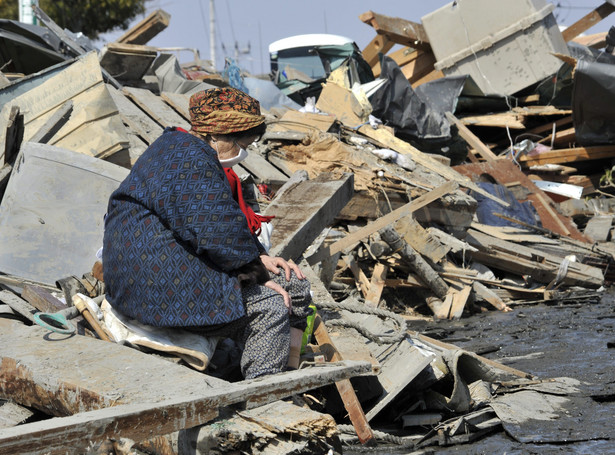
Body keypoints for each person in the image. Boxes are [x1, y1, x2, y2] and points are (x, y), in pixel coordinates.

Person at [103, 87, 313, 379]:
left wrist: (260, 259)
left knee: (295, 284)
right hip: (150, 284)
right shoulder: (189, 160)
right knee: (270, 307)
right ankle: (264, 392)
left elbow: (219, 220)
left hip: (167, 264)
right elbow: (216, 232)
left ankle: (289, 367)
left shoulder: (181, 147)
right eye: (243, 144)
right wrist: (258, 278)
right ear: (218, 135)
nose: (244, 153)